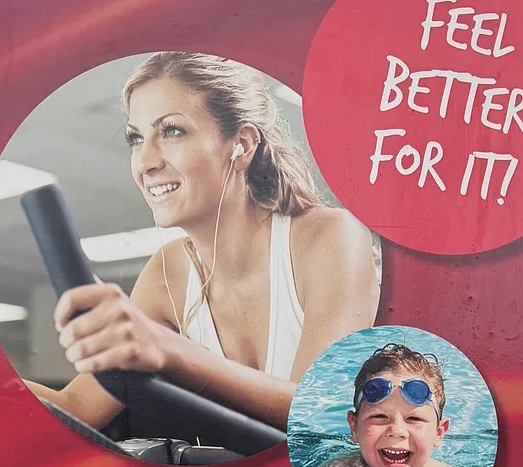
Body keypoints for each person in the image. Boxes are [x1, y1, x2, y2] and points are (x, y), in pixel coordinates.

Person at [32, 53, 379, 434]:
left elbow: (320, 414)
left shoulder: (330, 236)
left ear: (242, 144)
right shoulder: (168, 272)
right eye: (136, 138)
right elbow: (77, 407)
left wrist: (169, 350)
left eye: (171, 131)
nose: (145, 162)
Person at [300, 346, 478, 467]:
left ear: (439, 433)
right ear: (354, 427)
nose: (396, 431)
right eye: (379, 416)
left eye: (414, 418)